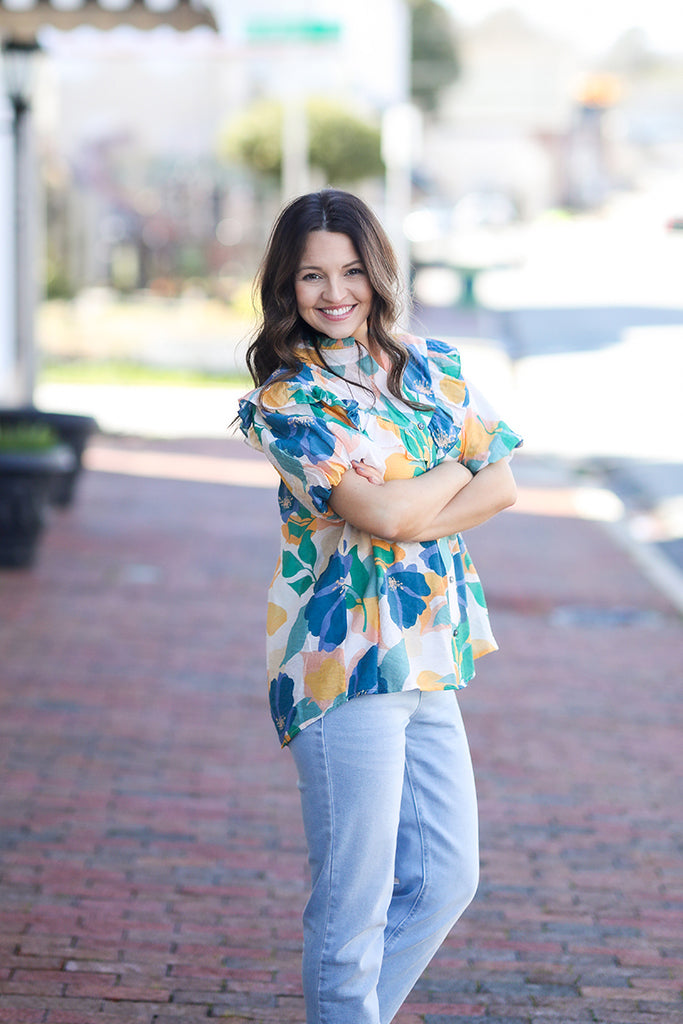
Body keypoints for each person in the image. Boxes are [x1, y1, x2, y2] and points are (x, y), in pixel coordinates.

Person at [237, 188, 522, 1024]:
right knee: (352, 900)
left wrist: (421, 493)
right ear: (284, 288)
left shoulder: (434, 365)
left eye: (352, 270)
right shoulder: (289, 403)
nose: (334, 293)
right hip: (340, 662)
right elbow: (388, 518)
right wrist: (454, 471)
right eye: (311, 277)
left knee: (445, 878)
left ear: (379, 272)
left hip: (429, 651)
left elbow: (503, 486)